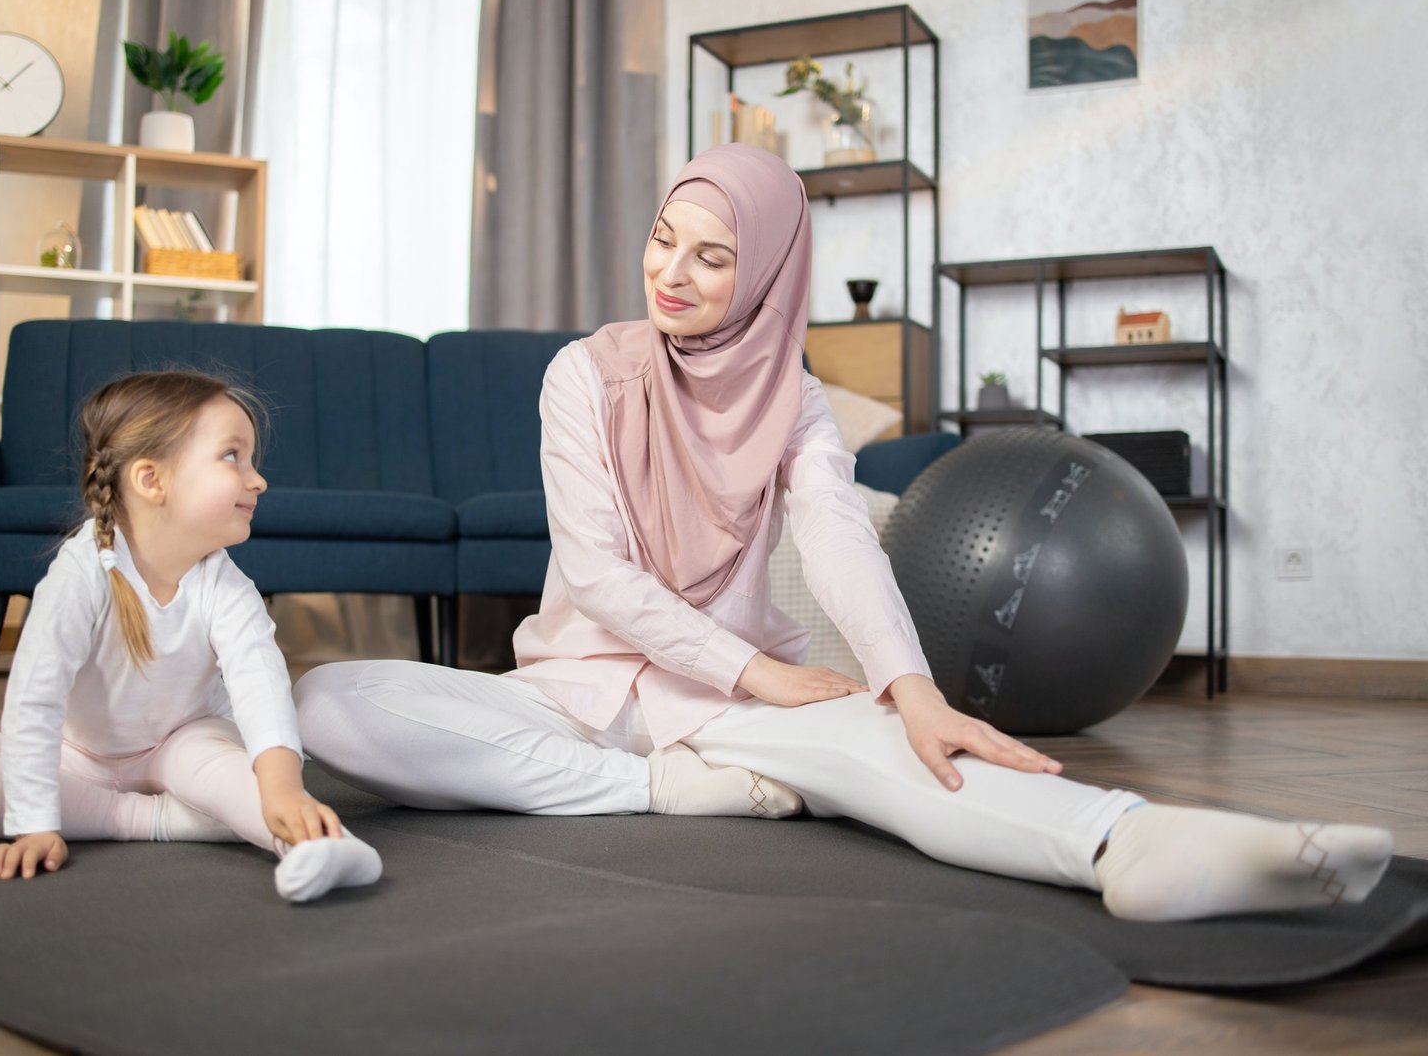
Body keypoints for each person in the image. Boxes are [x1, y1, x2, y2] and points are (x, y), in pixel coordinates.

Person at [294, 143, 1393, 922]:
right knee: (331, 703)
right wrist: (749, 681)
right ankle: (670, 793)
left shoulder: (797, 400)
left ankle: (1130, 843)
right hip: (578, 689)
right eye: (662, 241)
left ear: (766, 272)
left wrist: (908, 686)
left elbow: (835, 537)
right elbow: (594, 571)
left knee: (894, 751)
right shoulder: (582, 374)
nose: (670, 276)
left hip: (728, 705)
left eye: (711, 258)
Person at [0, 371, 382, 903]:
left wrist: (282, 790)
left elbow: (262, 685)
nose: (258, 480)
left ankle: (327, 847)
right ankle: (159, 819)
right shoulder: (81, 571)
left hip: (184, 746)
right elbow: (34, 700)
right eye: (233, 456)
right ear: (151, 479)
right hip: (80, 755)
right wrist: (34, 825)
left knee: (247, 782)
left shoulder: (225, 583)